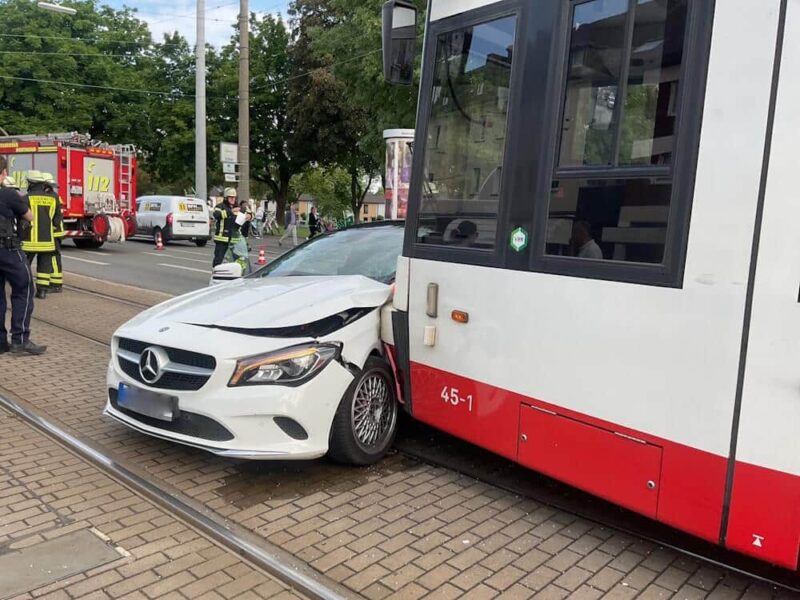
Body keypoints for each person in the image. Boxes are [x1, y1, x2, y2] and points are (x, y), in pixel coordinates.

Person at [0, 158, 46, 355]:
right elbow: (29, 216)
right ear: (3, 173)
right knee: (24, 288)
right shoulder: (8, 194)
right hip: (8, 250)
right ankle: (20, 340)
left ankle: (1, 343)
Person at [21, 170, 61, 299]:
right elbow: (57, 219)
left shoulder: (25, 198)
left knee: (24, 266)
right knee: (44, 266)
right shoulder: (53, 198)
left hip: (29, 241)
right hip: (47, 241)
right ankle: (42, 291)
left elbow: (21, 218)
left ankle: (24, 289)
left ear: (31, 183)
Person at [43, 173, 64, 293]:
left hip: (54, 232)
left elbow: (56, 216)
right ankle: (54, 282)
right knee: (54, 256)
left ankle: (56, 284)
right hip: (56, 231)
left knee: (54, 257)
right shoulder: (55, 196)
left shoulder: (51, 197)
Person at [212, 188, 239, 267]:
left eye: (234, 197)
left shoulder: (237, 207)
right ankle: (215, 272)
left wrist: (250, 215)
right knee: (218, 259)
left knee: (236, 260)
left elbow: (249, 212)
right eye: (231, 197)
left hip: (234, 239)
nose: (233, 199)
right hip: (222, 238)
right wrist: (231, 211)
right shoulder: (220, 206)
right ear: (226, 198)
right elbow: (217, 215)